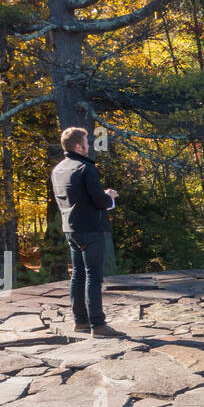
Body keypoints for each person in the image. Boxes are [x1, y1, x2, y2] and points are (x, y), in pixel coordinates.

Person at [51, 127, 119, 335]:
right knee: (93, 276)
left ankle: (80, 321)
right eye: (86, 142)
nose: (89, 145)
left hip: (70, 229)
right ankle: (98, 324)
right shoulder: (85, 168)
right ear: (78, 146)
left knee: (78, 275)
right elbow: (98, 200)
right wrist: (110, 197)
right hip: (90, 229)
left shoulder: (58, 170)